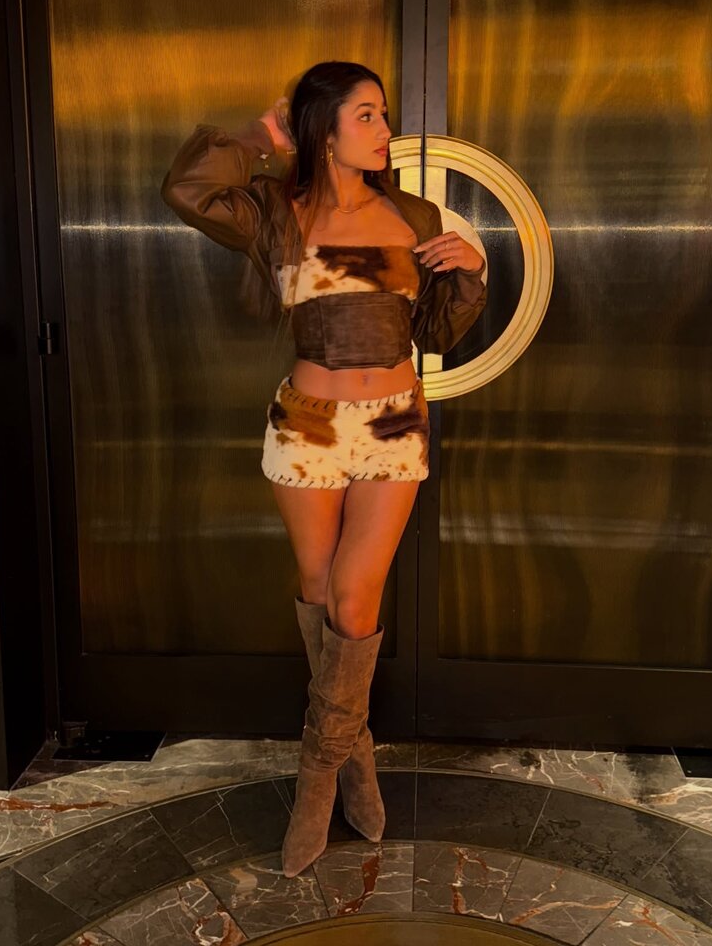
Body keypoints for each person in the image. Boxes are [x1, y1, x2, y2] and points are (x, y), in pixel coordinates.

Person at [160, 60, 486, 877]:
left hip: (396, 422)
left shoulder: (412, 214)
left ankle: (315, 781)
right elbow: (188, 192)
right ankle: (355, 755)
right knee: (319, 591)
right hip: (306, 425)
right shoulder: (277, 209)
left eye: (383, 114)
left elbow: (436, 332)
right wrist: (254, 138)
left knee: (354, 596)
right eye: (366, 114)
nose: (384, 129)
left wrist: (470, 272)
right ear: (325, 130)